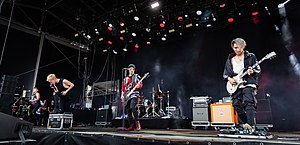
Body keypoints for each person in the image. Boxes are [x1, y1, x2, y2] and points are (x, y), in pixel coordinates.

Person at [223, 38, 261, 131]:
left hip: (248, 82)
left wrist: (252, 71)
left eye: (239, 48)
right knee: (236, 104)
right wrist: (229, 79)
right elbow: (225, 74)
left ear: (243, 47)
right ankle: (246, 123)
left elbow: (258, 70)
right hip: (236, 84)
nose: (237, 50)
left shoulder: (251, 56)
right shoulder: (230, 59)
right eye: (235, 48)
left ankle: (251, 124)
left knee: (249, 102)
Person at [121, 64, 143, 131]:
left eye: (133, 69)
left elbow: (141, 85)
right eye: (130, 69)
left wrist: (137, 86)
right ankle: (131, 125)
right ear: (128, 70)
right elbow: (123, 88)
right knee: (128, 110)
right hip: (127, 96)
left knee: (132, 107)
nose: (131, 71)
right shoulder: (125, 79)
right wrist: (122, 95)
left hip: (134, 94)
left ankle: (137, 123)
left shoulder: (136, 76)